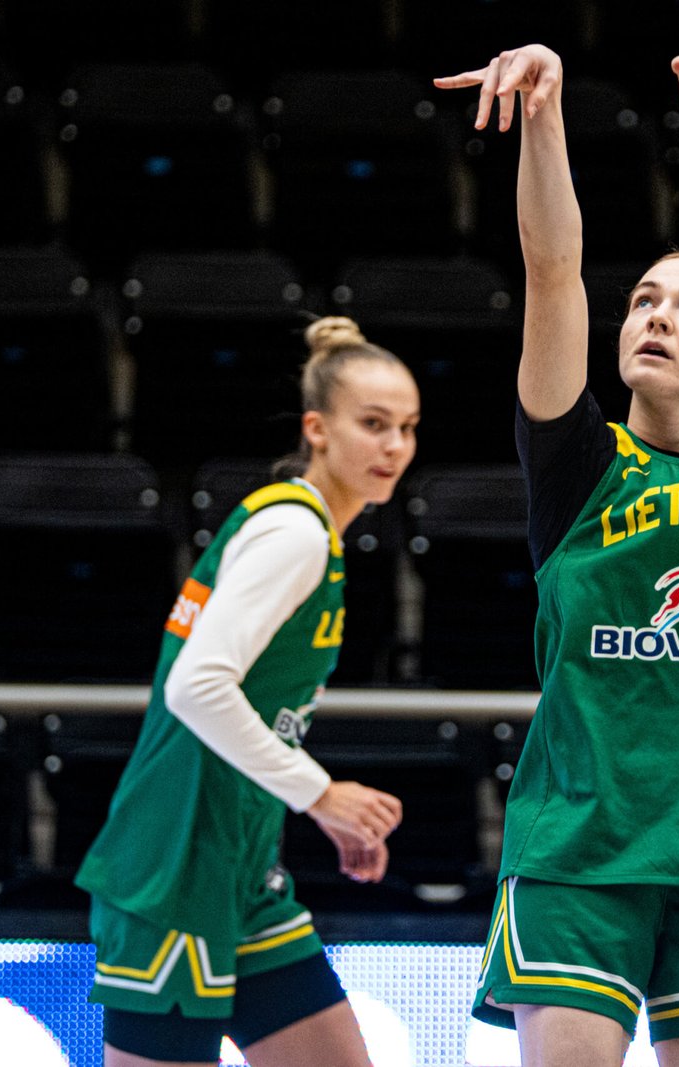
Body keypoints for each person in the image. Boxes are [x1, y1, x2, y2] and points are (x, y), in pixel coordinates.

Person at [435, 5, 679, 1065]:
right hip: (580, 850)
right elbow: (552, 270)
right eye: (645, 300)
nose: (655, 315)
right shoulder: (578, 463)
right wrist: (545, 115)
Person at [75, 316, 419, 1067]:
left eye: (407, 427)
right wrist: (320, 794)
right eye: (373, 424)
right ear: (317, 429)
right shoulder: (294, 533)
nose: (394, 445)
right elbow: (196, 688)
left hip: (241, 864)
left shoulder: (305, 529)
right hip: (176, 864)